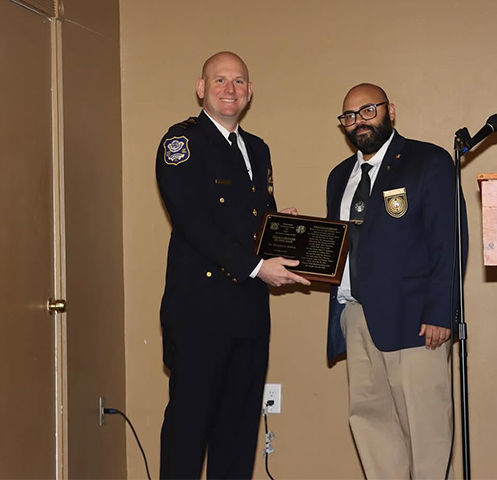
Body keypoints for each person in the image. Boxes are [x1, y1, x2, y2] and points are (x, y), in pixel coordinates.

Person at [156, 51, 309, 480]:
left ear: (250, 92)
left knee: (239, 433)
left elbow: (251, 219)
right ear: (201, 89)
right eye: (219, 80)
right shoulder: (181, 142)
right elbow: (194, 223)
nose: (230, 89)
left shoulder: (257, 148)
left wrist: (280, 227)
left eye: (239, 81)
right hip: (199, 311)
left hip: (248, 312)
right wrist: (259, 267)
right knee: (189, 431)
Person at [325, 83, 468, 479]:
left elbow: (449, 241)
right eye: (349, 116)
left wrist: (443, 311)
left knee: (426, 429)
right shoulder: (340, 176)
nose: (359, 122)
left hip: (417, 322)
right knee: (370, 423)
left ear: (390, 110)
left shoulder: (428, 161)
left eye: (367, 111)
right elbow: (340, 247)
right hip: (356, 316)